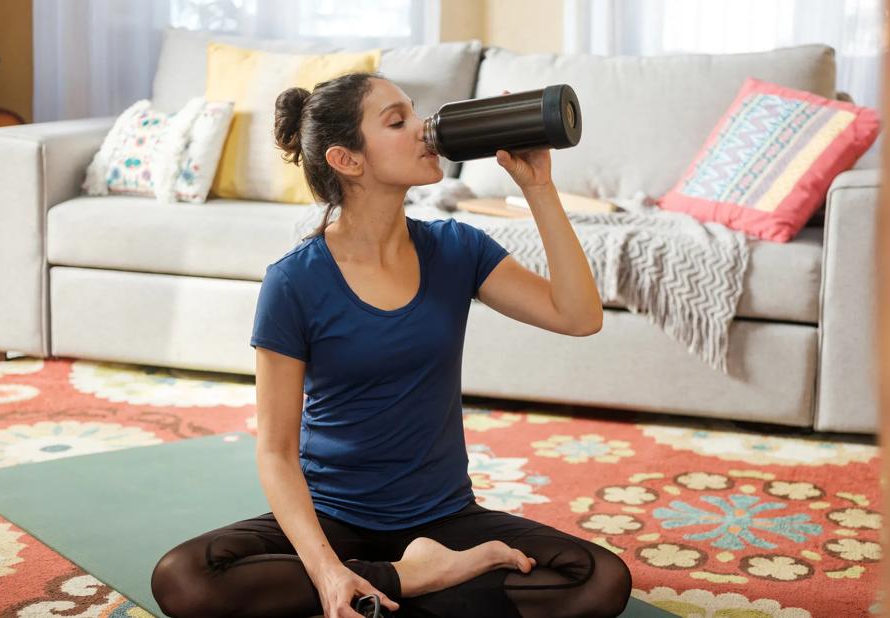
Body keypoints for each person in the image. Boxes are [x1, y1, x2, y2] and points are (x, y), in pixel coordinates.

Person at [149, 71, 631, 618]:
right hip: (333, 516)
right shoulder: (295, 281)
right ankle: (412, 579)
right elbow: (276, 452)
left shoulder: (457, 248)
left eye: (415, 111)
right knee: (186, 579)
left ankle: (382, 590)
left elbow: (578, 316)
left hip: (444, 518)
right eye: (397, 121)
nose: (425, 129)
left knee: (598, 580)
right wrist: (326, 565)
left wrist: (538, 187)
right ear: (347, 160)